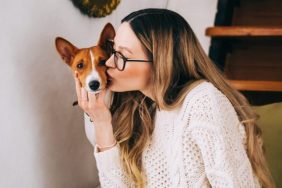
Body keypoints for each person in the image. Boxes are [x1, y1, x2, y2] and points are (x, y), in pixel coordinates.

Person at [74, 8, 274, 188]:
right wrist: (101, 121)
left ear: (160, 62)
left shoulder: (203, 102)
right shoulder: (144, 108)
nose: (109, 62)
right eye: (113, 49)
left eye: (121, 55)